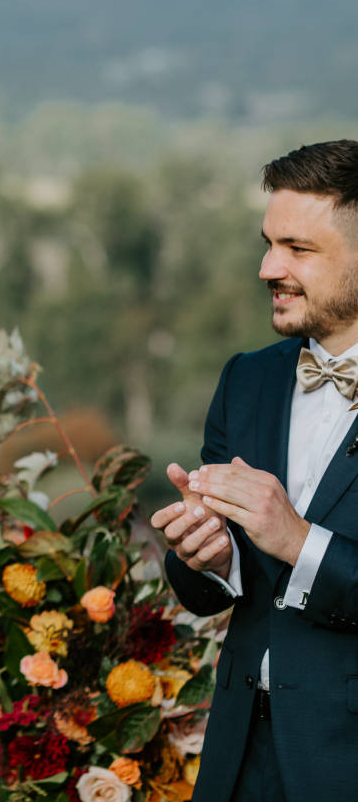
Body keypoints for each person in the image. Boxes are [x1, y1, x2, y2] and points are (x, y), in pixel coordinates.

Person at [151, 140, 358, 802]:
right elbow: (212, 590)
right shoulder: (247, 379)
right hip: (239, 760)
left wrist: (297, 541)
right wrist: (205, 557)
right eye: (269, 243)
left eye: (298, 249)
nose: (269, 267)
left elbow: (291, 546)